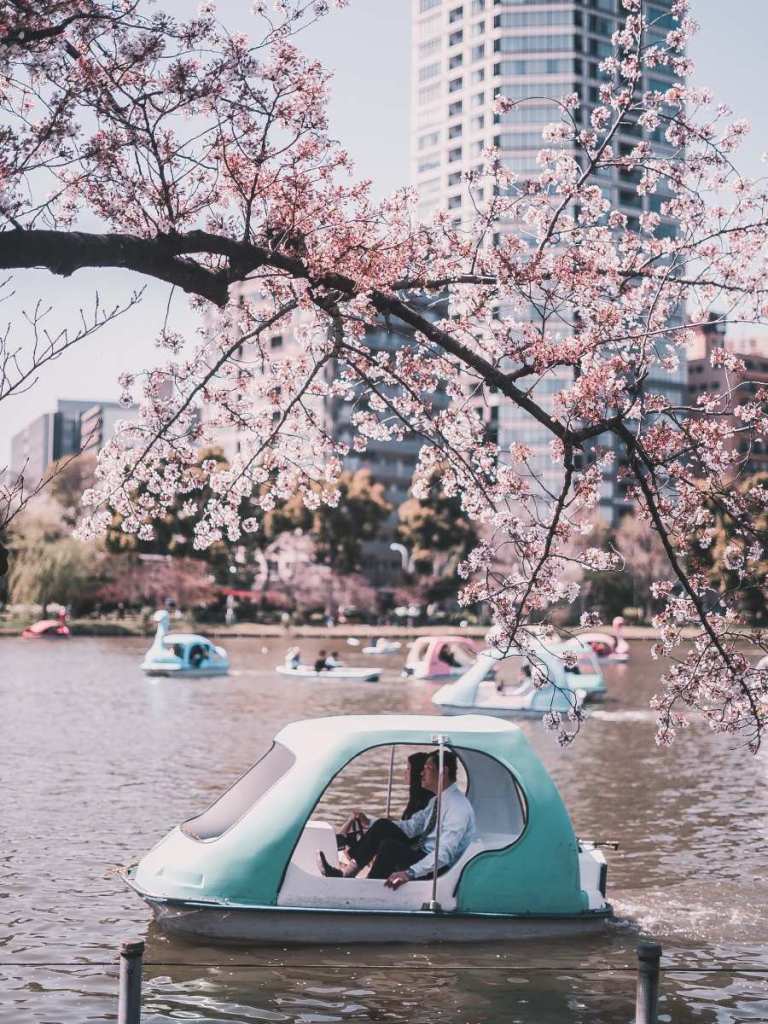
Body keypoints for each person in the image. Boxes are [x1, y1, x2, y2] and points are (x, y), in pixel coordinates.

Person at [318, 750, 477, 889]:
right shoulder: (436, 801)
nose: (421, 773)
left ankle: (368, 889)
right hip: (423, 854)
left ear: (443, 771)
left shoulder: (458, 808)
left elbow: (444, 854)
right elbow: (411, 827)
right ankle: (346, 874)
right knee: (383, 825)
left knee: (390, 847)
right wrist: (371, 823)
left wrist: (410, 873)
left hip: (438, 867)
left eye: (427, 769)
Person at [337, 751, 432, 853]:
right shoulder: (417, 798)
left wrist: (372, 822)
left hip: (409, 847)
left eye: (408, 768)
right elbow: (409, 824)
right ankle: (346, 846)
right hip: (406, 840)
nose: (405, 772)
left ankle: (350, 852)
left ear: (416, 772)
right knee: (362, 822)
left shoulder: (426, 801)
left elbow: (411, 829)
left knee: (379, 826)